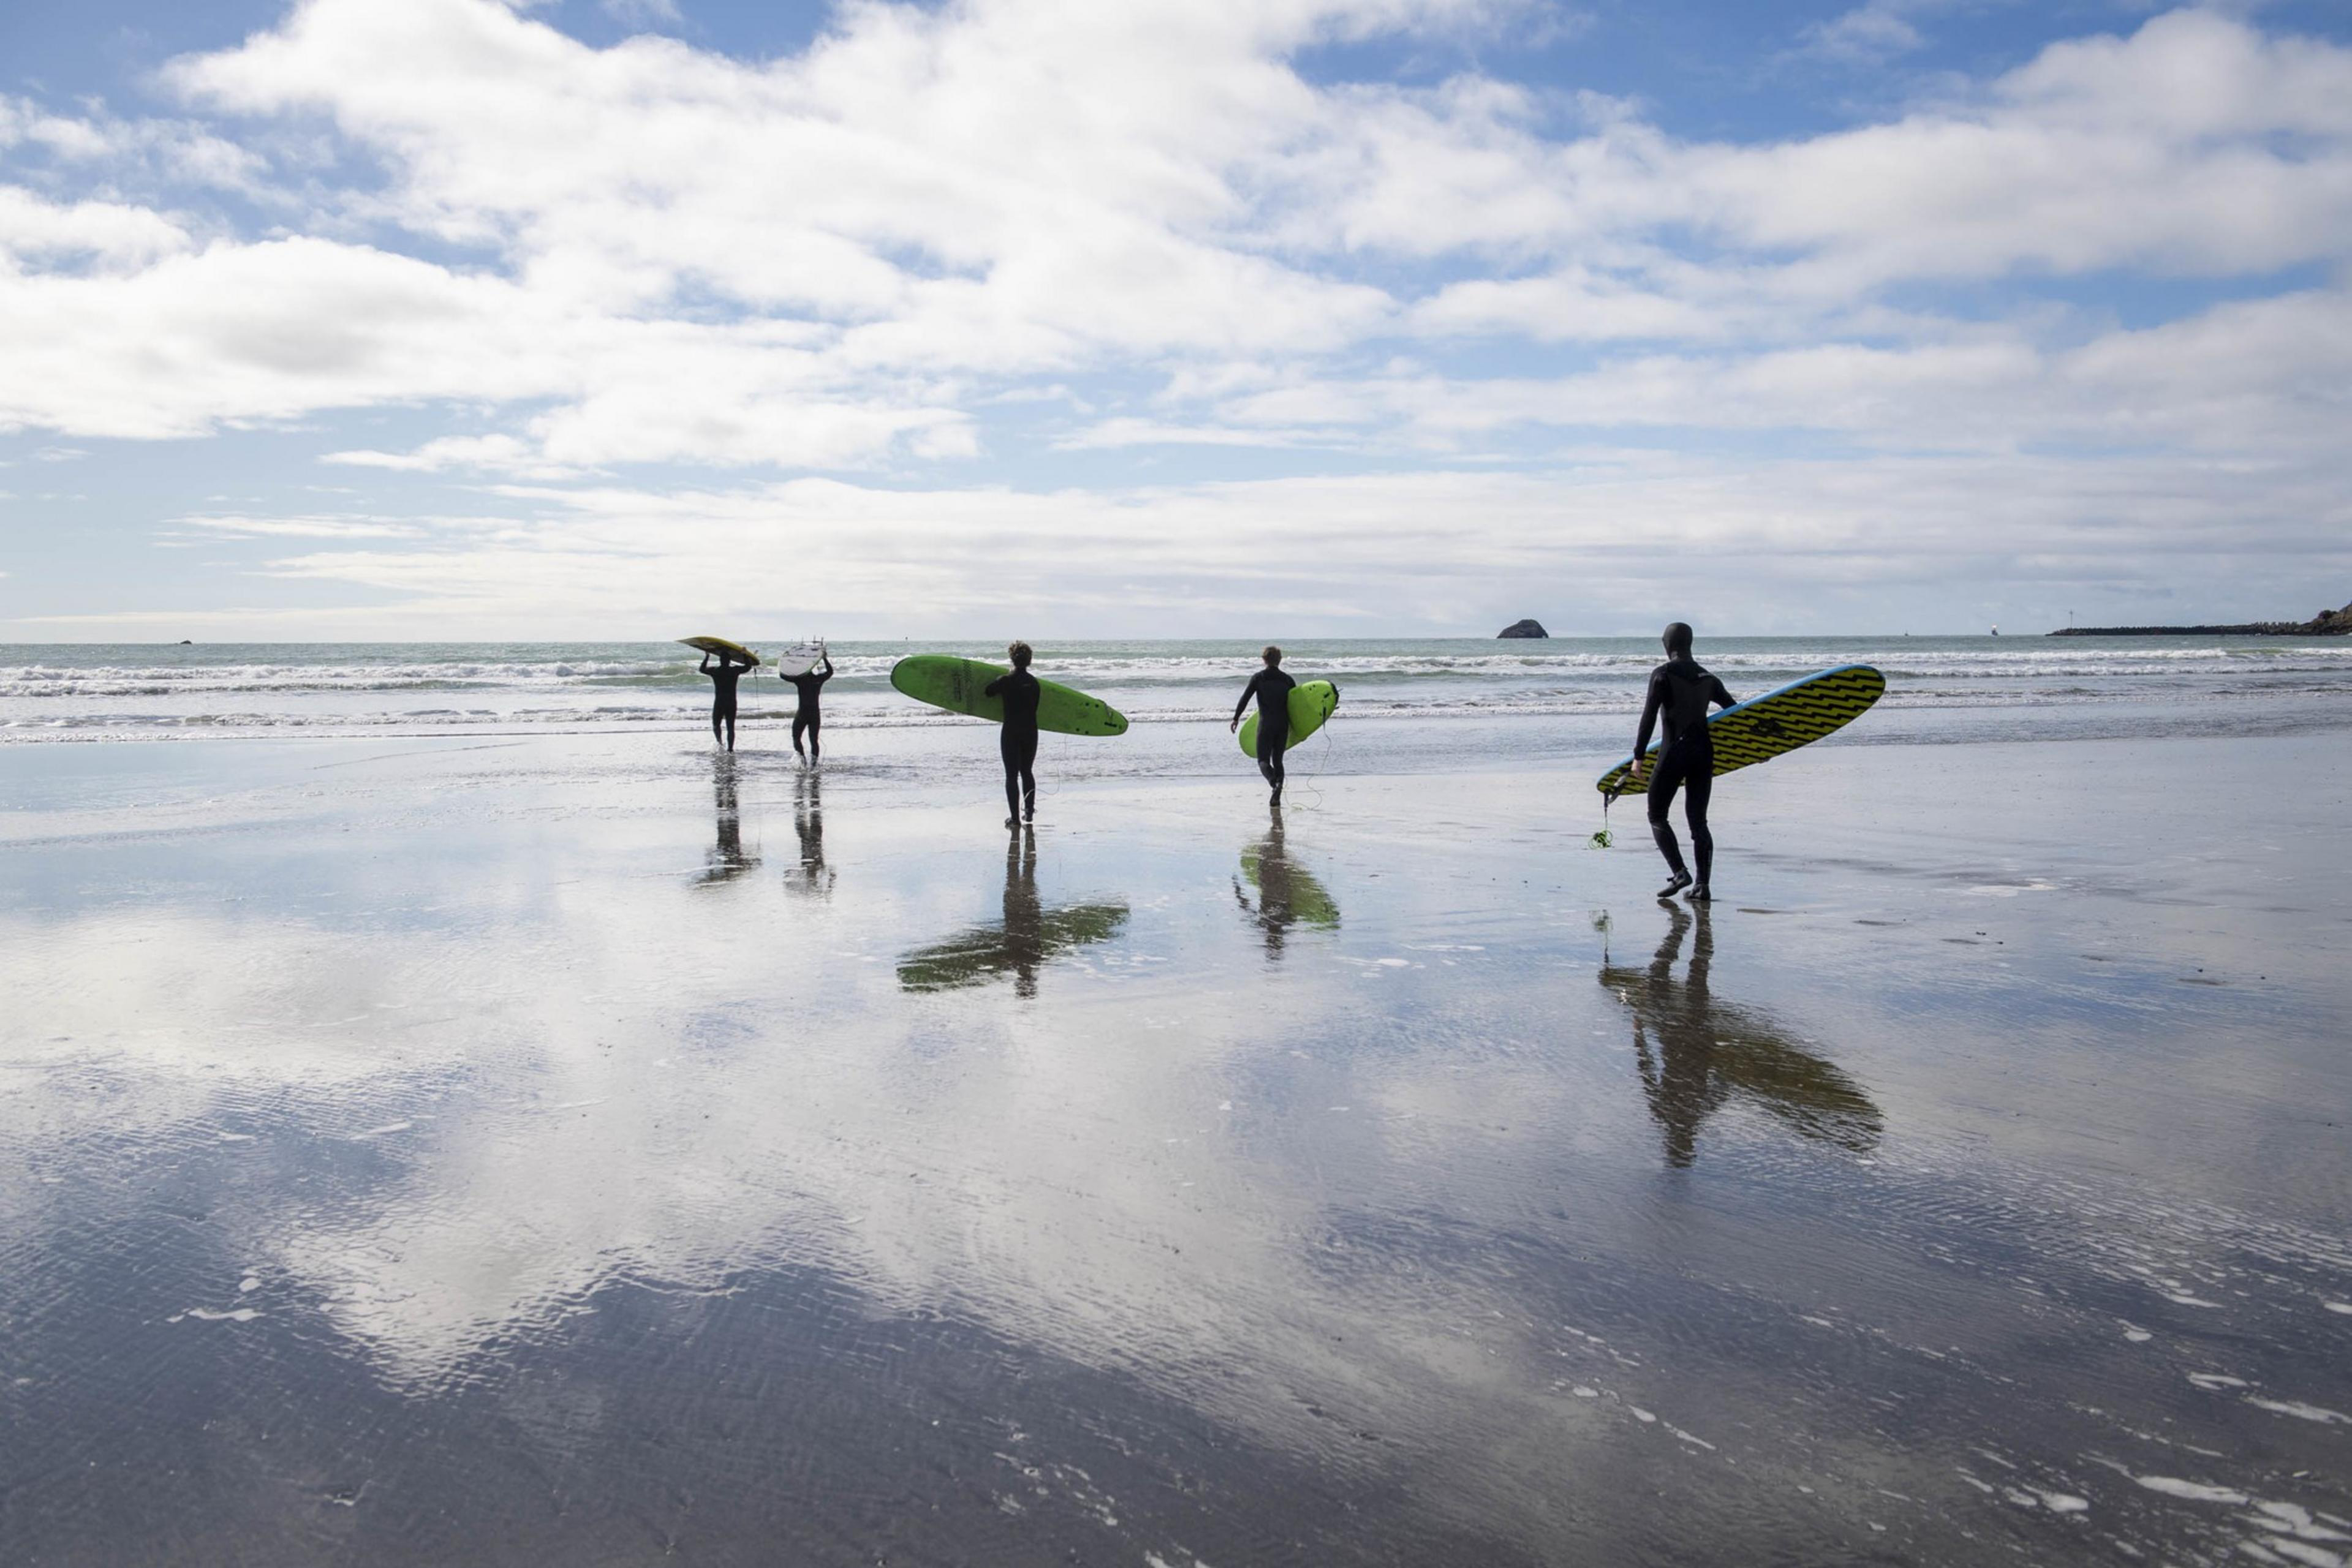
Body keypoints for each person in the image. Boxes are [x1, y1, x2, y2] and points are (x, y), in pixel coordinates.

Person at [1625, 622, 1736, 900]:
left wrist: (1638, 757)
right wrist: (1760, 748)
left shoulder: (1662, 674)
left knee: (1657, 814)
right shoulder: (1708, 677)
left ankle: (1679, 873)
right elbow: (1735, 715)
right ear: (1690, 643)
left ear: (1668, 645)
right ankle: (1703, 885)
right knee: (1699, 822)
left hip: (1674, 753)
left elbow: (1649, 716)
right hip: (1703, 755)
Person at [983, 641, 1041, 828]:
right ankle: (1029, 813)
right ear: (1029, 660)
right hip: (1031, 731)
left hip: (1011, 731)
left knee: (1011, 775)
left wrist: (1002, 677)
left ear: (1012, 659)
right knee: (1027, 772)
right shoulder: (1034, 684)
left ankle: (1015, 819)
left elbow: (988, 692)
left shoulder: (1006, 681)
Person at [1229, 645, 1297, 801]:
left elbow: (1245, 698)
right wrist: (1303, 727)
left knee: (1263, 760)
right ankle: (1279, 787)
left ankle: (1274, 784)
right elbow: (1298, 705)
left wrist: (1236, 718)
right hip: (1283, 725)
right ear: (1280, 660)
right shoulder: (1288, 680)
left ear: (1264, 660)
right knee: (1278, 760)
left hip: (1266, 724)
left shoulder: (1259, 678)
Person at [698, 645, 754, 752]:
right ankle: (730, 749)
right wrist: (744, 655)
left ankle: (719, 743)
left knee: (716, 725)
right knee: (730, 727)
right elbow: (748, 667)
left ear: (720, 660)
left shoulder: (715, 671)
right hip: (732, 702)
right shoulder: (734, 671)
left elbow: (702, 669)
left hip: (719, 702)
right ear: (730, 661)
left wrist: (707, 657)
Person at [785, 646, 834, 763]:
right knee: (814, 740)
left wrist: (789, 662)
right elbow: (830, 672)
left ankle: (803, 762)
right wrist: (824, 659)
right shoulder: (819, 679)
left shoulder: (800, 680)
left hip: (802, 713)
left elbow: (784, 675)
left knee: (796, 738)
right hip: (815, 714)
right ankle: (813, 765)